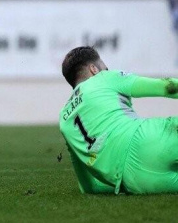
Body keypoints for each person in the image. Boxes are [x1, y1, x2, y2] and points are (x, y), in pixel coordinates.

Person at [59, 46, 178, 194]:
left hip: (134, 180)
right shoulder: (103, 78)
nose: (106, 70)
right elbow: (167, 87)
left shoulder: (64, 119)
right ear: (93, 69)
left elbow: (88, 186)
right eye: (105, 68)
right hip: (148, 139)